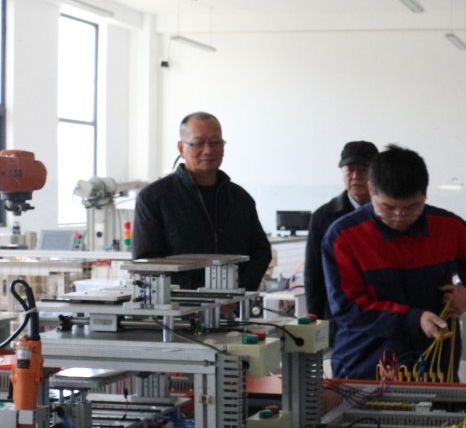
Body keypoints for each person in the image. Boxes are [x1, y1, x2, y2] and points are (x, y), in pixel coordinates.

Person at [323, 146, 466, 380]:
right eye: (387, 207)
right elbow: (348, 307)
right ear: (371, 190)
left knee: (441, 405)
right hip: (366, 363)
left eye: (412, 207)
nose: (399, 217)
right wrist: (412, 319)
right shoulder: (345, 236)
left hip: (436, 362)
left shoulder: (449, 227)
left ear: (425, 195)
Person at [132, 112, 272, 292]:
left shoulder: (240, 198)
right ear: (181, 148)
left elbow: (261, 252)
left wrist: (235, 291)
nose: (208, 150)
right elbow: (147, 262)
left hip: (235, 302)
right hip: (179, 304)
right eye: (198, 143)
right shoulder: (154, 198)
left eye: (216, 142)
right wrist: (201, 295)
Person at [304, 141, 377, 322]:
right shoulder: (323, 216)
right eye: (349, 170)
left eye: (363, 170)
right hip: (339, 316)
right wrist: (316, 321)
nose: (355, 176)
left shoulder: (390, 213)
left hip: (382, 312)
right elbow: (314, 274)